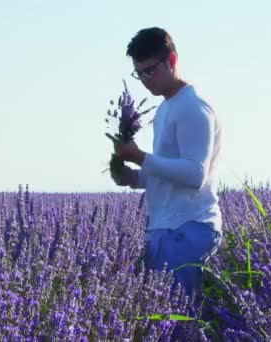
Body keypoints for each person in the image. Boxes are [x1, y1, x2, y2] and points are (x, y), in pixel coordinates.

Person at [107, 27, 223, 303]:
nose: (146, 80)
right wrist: (132, 177)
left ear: (172, 61)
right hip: (165, 228)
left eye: (150, 70)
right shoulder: (165, 109)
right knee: (160, 318)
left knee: (178, 320)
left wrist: (140, 158)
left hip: (188, 228)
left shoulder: (193, 107)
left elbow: (195, 174)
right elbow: (166, 172)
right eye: (140, 73)